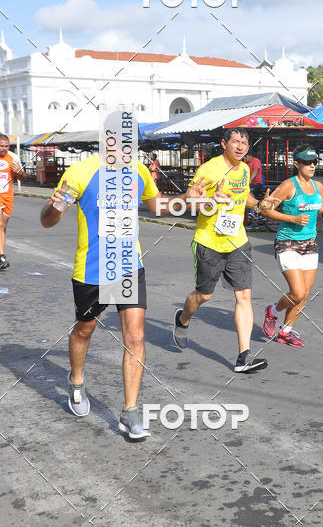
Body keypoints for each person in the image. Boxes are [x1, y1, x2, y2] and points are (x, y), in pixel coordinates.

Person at [40, 151, 208, 440]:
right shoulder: (80, 172)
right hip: (92, 270)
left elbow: (157, 205)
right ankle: (76, 380)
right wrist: (55, 206)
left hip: (128, 267)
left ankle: (130, 411)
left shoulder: (139, 171)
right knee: (84, 330)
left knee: (135, 337)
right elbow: (47, 221)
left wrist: (185, 198)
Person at [172, 128, 273, 373]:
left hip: (238, 242)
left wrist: (259, 205)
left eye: (244, 143)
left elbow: (244, 197)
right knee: (204, 295)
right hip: (209, 242)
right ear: (224, 144)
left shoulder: (245, 169)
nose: (240, 146)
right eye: (235, 141)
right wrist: (210, 201)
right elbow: (191, 203)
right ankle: (183, 319)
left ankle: (244, 357)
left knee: (244, 295)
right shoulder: (209, 169)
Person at [261, 145, 323, 347]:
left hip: (310, 243)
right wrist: (292, 218)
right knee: (297, 293)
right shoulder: (288, 186)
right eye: (307, 162)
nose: (312, 166)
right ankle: (272, 311)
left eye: (314, 162)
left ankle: (285, 332)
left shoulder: (318, 187)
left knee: (305, 295)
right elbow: (266, 210)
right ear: (296, 164)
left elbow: (320, 210)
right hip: (287, 243)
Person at [0, 133, 26, 270]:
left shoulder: (13, 157)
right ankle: (1, 256)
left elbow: (23, 177)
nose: (4, 149)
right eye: (1, 146)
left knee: (3, 226)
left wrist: (19, 172)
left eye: (6, 146)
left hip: (8, 196)